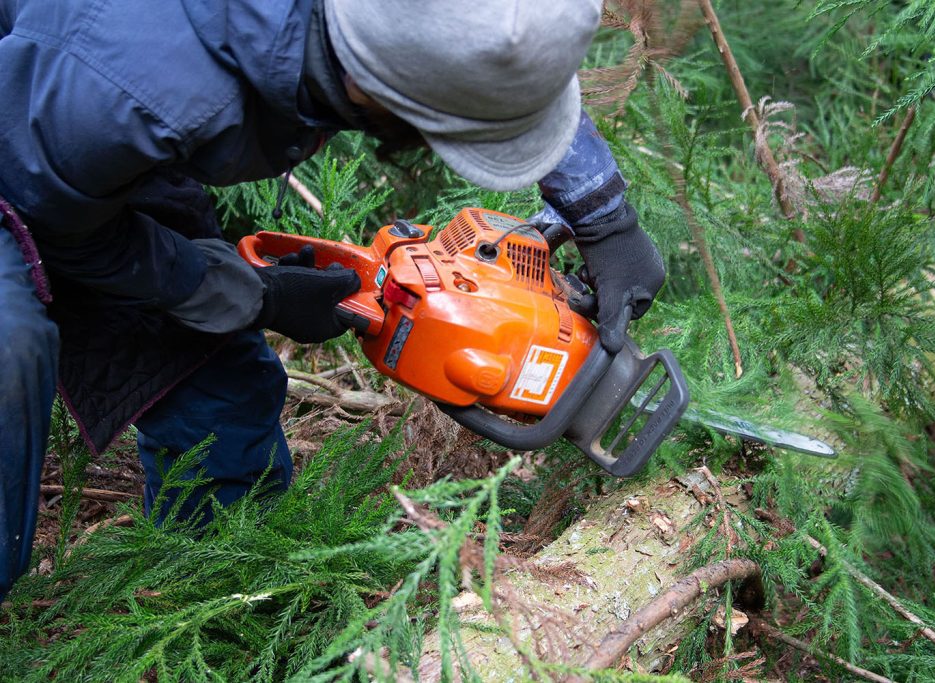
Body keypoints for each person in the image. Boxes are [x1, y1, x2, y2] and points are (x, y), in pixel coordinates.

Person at [0, 0, 665, 601]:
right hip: (32, 141)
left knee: (218, 389)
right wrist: (243, 293)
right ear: (374, 88)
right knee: (11, 347)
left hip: (80, 120)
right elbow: (57, 218)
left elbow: (494, 34)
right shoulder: (127, 98)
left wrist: (600, 211)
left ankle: (219, 602)